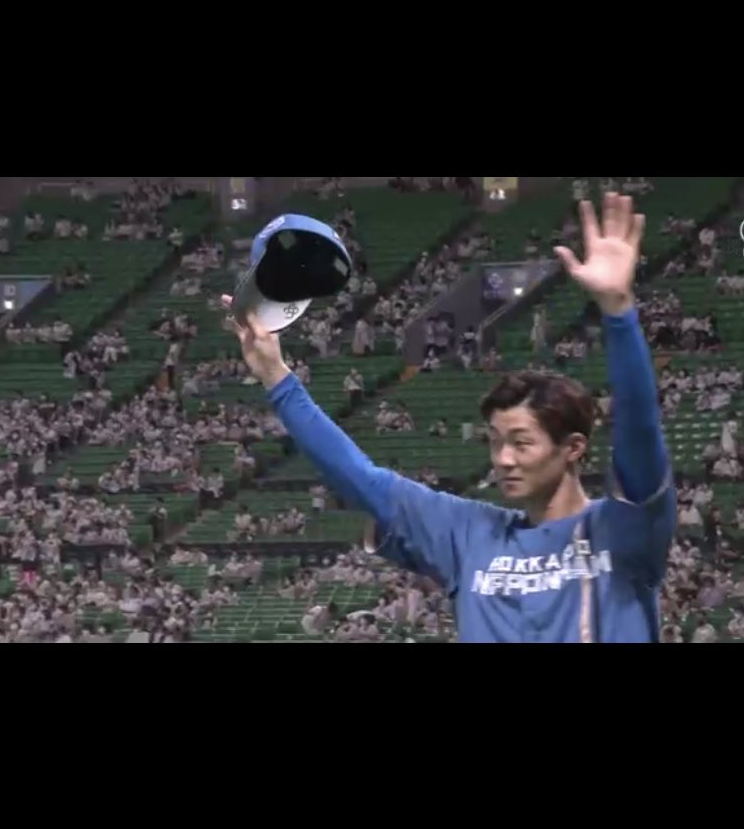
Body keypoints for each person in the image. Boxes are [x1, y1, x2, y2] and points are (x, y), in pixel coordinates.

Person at [221, 193, 676, 643]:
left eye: (521, 442)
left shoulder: (621, 531)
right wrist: (277, 377)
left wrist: (618, 313)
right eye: (495, 441)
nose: (503, 459)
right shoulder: (469, 534)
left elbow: (639, 431)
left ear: (573, 448)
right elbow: (359, 477)